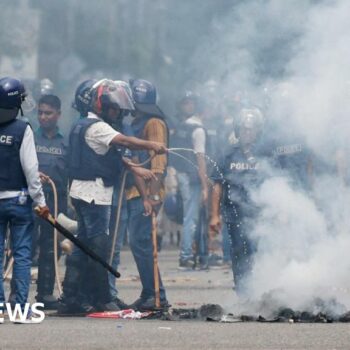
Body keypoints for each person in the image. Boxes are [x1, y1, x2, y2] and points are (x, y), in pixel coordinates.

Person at [59, 79, 166, 314]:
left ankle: (71, 298)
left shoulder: (82, 124)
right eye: (113, 108)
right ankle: (102, 298)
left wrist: (135, 169)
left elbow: (108, 157)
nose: (117, 113)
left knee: (81, 246)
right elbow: (125, 141)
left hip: (81, 192)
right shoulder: (99, 127)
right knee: (99, 249)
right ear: (101, 105)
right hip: (95, 195)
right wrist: (152, 145)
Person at [0, 77, 49, 320]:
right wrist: (40, 202)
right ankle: (18, 307)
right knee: (21, 254)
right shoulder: (23, 129)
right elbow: (31, 170)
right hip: (19, 202)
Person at [209, 108, 268, 295]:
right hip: (235, 214)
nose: (247, 133)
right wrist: (214, 216)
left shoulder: (265, 155)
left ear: (258, 131)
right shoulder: (227, 155)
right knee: (239, 252)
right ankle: (243, 293)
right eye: (243, 129)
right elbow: (217, 185)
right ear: (237, 130)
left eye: (251, 129)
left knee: (260, 253)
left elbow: (276, 181)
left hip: (260, 214)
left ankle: (261, 289)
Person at [123, 79, 170, 311]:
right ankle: (149, 292)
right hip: (134, 190)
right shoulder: (137, 121)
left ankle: (157, 294)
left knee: (141, 243)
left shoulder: (154, 123)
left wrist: (151, 197)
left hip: (146, 192)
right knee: (139, 243)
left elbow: (158, 164)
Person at [34, 94, 68, 309]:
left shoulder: (66, 142)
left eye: (48, 113)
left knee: (51, 246)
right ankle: (14, 296)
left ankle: (44, 293)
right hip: (30, 199)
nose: (43, 117)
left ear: (58, 114)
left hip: (56, 199)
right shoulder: (29, 137)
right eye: (40, 113)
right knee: (22, 246)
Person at [170, 91, 209, 269]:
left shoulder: (181, 127)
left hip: (181, 175)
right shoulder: (198, 129)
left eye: (190, 103)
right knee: (191, 217)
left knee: (190, 215)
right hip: (192, 177)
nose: (189, 106)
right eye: (186, 103)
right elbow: (200, 157)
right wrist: (205, 185)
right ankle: (186, 256)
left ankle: (198, 254)